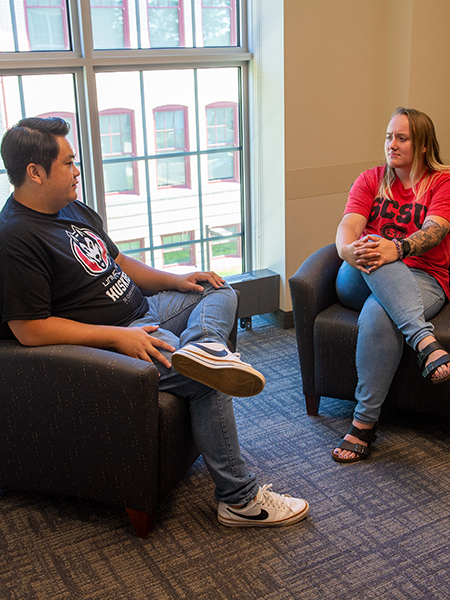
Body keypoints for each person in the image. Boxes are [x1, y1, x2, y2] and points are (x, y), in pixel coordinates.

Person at [0, 117, 309, 526]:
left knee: (217, 289)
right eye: (68, 163)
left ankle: (206, 346)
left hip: (143, 309)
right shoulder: (15, 238)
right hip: (111, 339)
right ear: (34, 172)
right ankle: (239, 500)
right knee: (207, 379)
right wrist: (115, 338)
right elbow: (29, 329)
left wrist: (178, 280)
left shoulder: (70, 206)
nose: (78, 171)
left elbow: (120, 262)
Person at [333, 107, 450, 463]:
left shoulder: (442, 182)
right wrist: (354, 250)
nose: (391, 144)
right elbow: (347, 231)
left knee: (379, 313)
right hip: (359, 272)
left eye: (401, 138)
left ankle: (363, 424)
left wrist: (396, 247)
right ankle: (422, 339)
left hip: (424, 278)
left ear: (423, 145)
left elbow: (436, 230)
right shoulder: (370, 179)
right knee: (373, 251)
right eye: (388, 136)